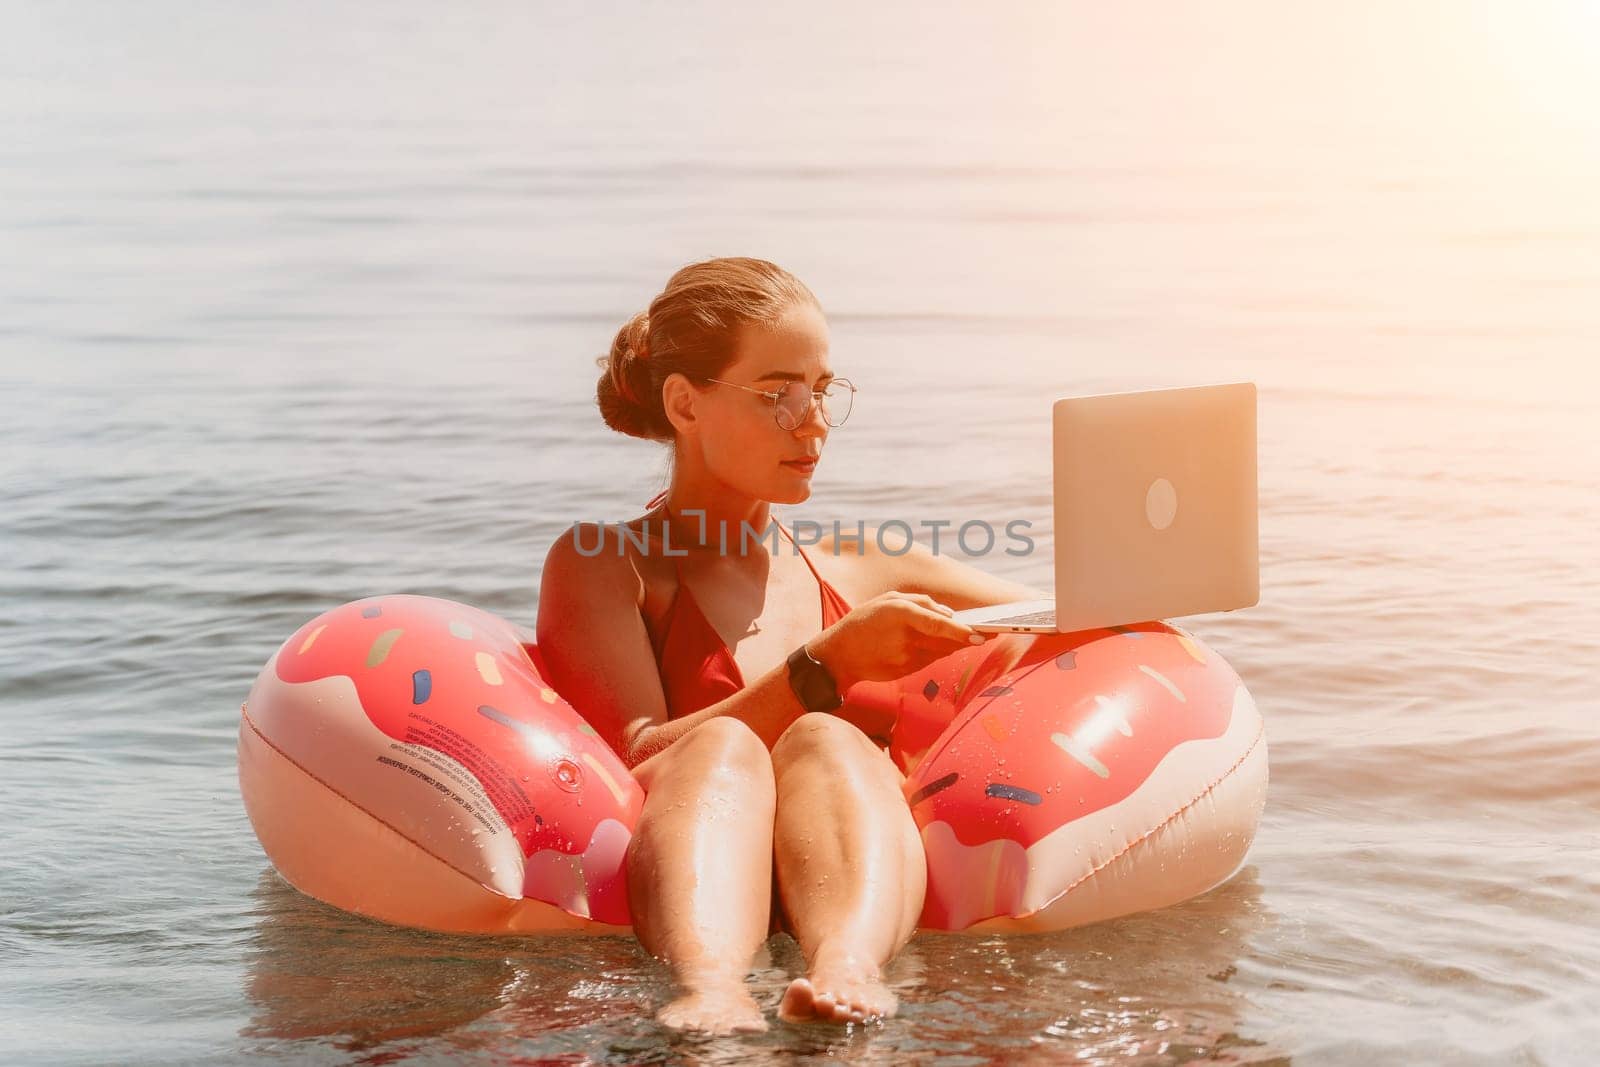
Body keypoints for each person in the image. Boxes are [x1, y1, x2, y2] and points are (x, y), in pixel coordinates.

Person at [536, 257, 1045, 1034]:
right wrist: (827, 665)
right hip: (693, 883)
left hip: (852, 876)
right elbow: (628, 762)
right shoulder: (608, 564)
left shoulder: (871, 565)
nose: (814, 424)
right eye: (780, 395)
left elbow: (1057, 614)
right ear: (684, 403)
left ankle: (846, 966)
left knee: (827, 738)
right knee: (723, 746)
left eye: (822, 391)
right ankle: (711, 987)